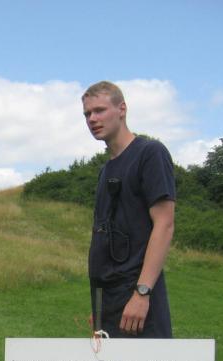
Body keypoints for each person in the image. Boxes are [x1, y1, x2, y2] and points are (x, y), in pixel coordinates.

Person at [82, 81, 175, 338]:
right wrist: (99, 308)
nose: (92, 119)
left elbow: (165, 224)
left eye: (100, 110)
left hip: (138, 300)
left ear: (122, 109)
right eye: (87, 114)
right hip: (108, 301)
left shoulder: (150, 153)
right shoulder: (105, 171)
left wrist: (142, 293)